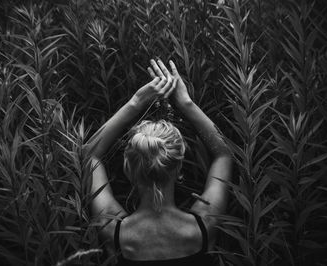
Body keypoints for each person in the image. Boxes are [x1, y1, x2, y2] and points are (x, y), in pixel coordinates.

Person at [85, 59, 232, 265]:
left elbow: (89, 155)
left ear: (129, 171)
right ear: (179, 168)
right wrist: (185, 102)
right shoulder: (204, 226)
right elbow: (224, 153)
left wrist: (136, 101)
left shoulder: (115, 232)